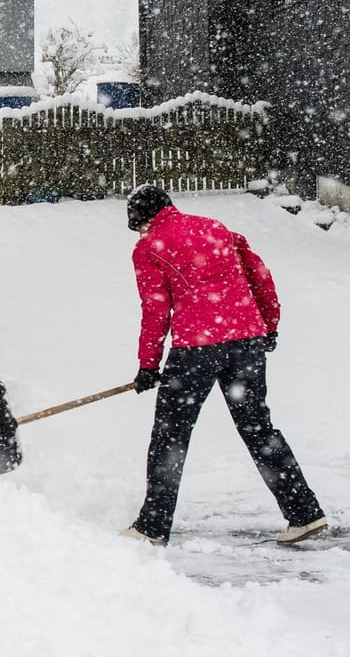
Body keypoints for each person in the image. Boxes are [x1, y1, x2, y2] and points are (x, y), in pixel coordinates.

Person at [119, 184, 328, 547]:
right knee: (259, 429)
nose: (138, 233)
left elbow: (155, 309)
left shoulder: (149, 247)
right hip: (245, 340)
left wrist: (148, 365)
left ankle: (152, 527)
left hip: (196, 349)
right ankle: (304, 513)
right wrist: (268, 325)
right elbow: (258, 275)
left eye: (137, 225)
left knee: (171, 435)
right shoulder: (215, 228)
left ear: (145, 219)